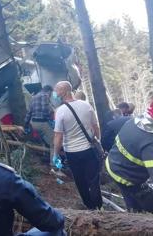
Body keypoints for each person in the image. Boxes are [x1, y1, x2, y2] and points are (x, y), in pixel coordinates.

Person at [52, 81, 102, 210]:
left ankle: (89, 206)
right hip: (89, 149)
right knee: (94, 180)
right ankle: (99, 206)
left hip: (72, 152)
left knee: (80, 181)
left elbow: (58, 136)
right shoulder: (86, 105)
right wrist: (97, 141)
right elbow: (95, 127)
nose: (55, 93)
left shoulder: (60, 111)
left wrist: (56, 154)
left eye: (56, 90)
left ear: (63, 91)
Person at [105, 98, 153, 213]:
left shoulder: (135, 121)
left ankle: (133, 212)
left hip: (114, 163)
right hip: (126, 175)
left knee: (133, 203)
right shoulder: (151, 144)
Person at [24, 85, 55, 162]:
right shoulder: (45, 95)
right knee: (54, 142)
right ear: (49, 91)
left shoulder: (34, 97)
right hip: (42, 123)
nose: (50, 95)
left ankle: (45, 156)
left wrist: (26, 124)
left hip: (33, 123)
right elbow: (45, 109)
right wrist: (50, 118)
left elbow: (29, 113)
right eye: (51, 93)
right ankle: (54, 165)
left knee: (44, 140)